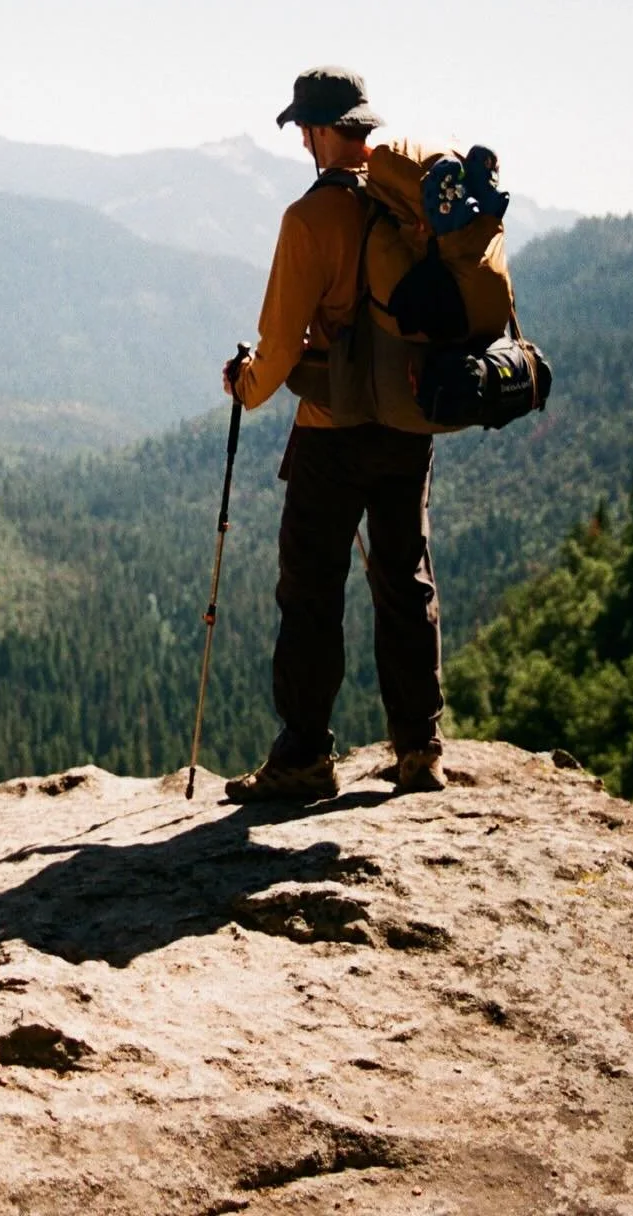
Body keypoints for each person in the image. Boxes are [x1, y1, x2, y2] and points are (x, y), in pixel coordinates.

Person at [221, 66, 445, 801]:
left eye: (305, 130)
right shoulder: (407, 208)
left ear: (317, 132)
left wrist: (247, 385)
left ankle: (306, 757)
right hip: (409, 425)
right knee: (403, 578)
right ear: (364, 129)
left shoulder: (310, 219)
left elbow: (280, 343)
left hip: (332, 430)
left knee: (312, 588)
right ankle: (419, 750)